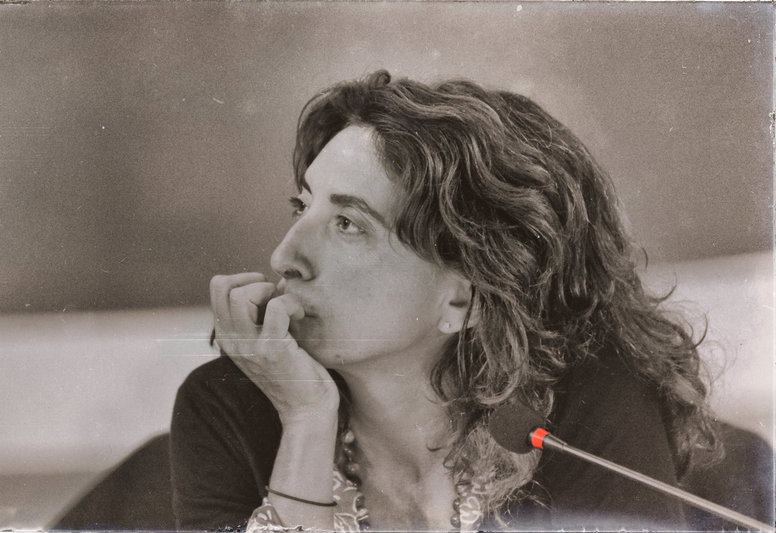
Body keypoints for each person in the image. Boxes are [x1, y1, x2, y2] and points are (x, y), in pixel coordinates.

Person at [169, 71, 720, 532]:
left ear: (463, 298)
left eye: (348, 223)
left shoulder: (589, 406)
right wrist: (306, 419)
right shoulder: (227, 406)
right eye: (302, 207)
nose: (285, 256)